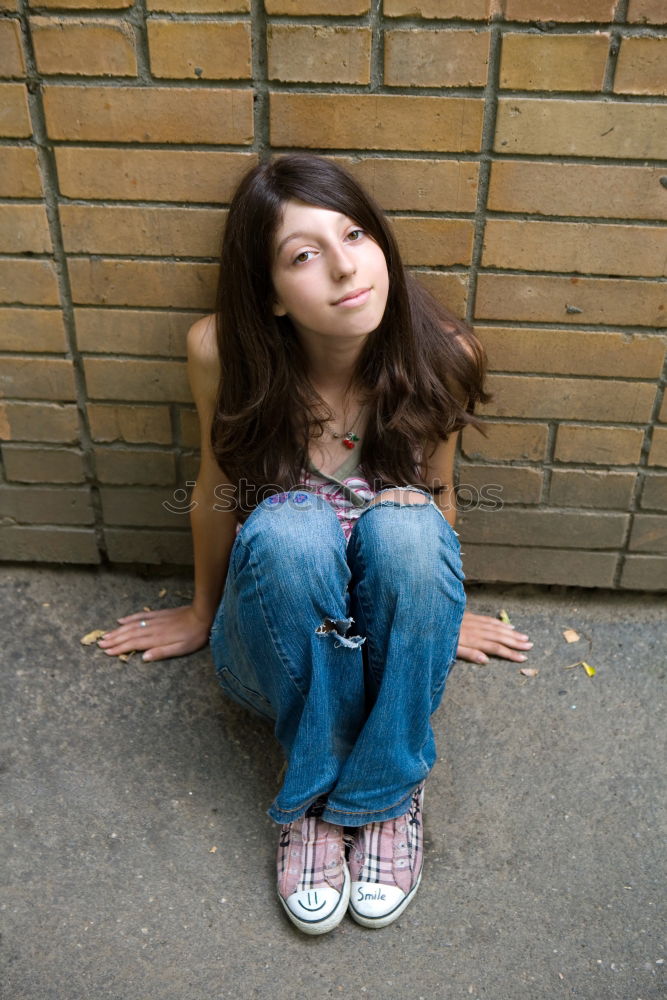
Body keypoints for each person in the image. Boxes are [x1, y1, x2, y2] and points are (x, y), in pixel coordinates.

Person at [98, 155, 533, 935]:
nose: (344, 266)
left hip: (383, 658)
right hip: (275, 653)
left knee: (404, 521)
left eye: (355, 233)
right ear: (267, 294)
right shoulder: (222, 352)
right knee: (290, 522)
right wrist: (202, 612)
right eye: (304, 255)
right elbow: (215, 488)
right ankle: (316, 795)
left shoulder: (444, 355)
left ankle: (384, 792)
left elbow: (436, 501)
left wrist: (435, 620)